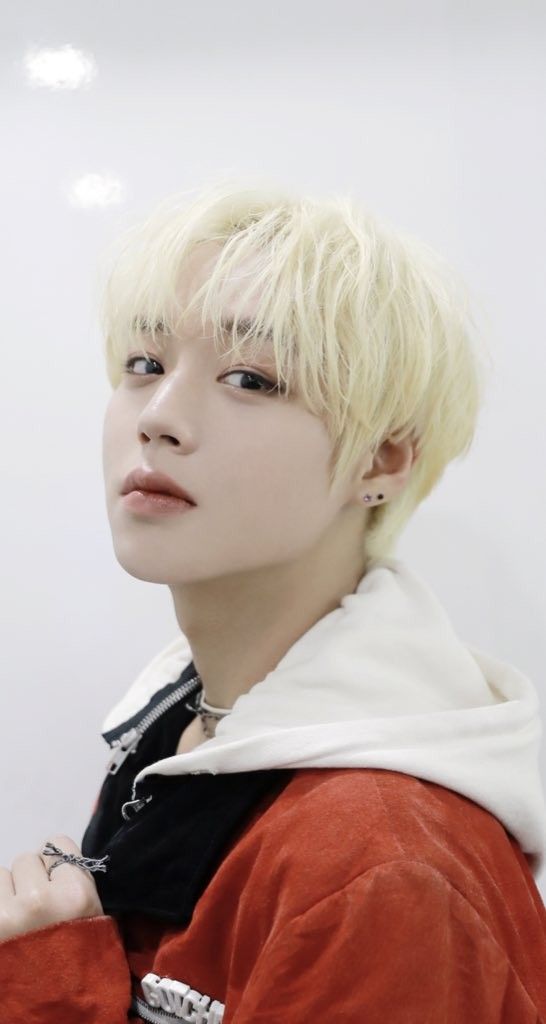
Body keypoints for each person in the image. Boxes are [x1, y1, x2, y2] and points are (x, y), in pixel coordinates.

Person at [2, 178, 546, 1023]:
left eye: (251, 379)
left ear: (380, 461)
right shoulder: (186, 724)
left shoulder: (382, 867)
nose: (159, 417)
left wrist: (51, 986)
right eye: (144, 364)